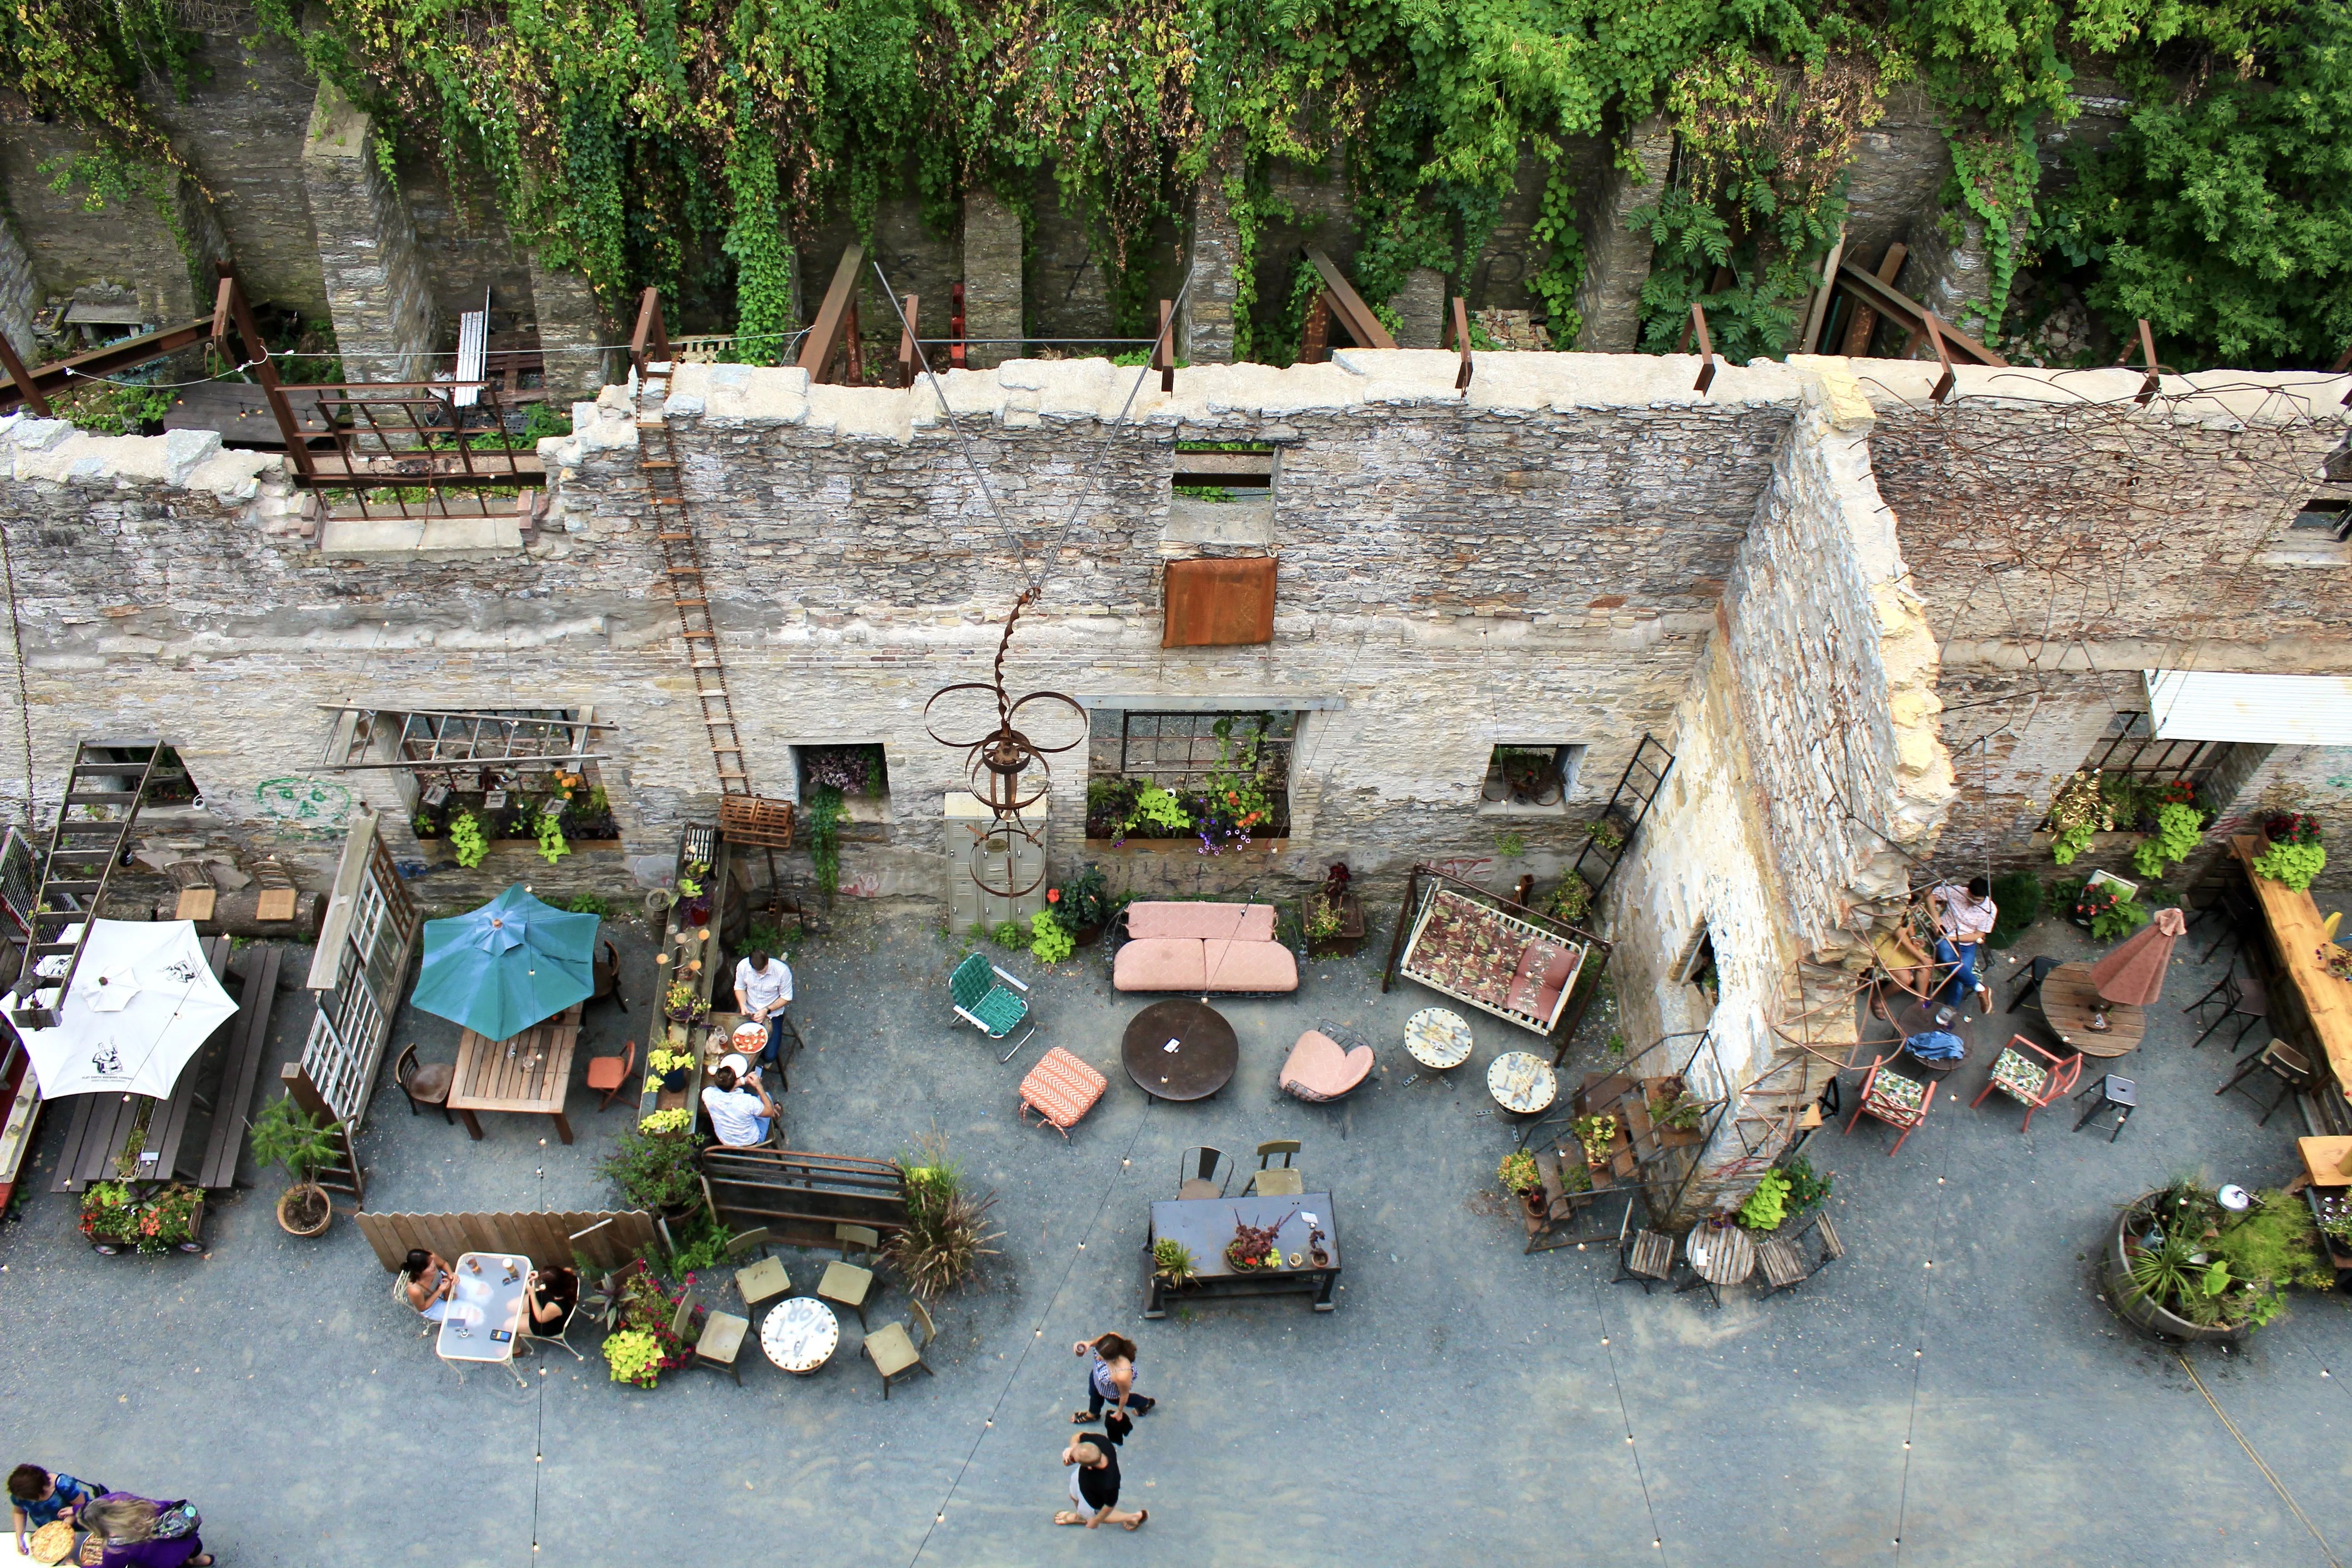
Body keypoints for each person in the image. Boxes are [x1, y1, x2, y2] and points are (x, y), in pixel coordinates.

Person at [81, 1494, 211, 1568]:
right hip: (185, 1539)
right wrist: (78, 1509)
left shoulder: (116, 1547)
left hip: (167, 1562)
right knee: (193, 1548)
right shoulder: (138, 1504)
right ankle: (201, 1560)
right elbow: (168, 1505)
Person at [1929, 876, 1998, 1009]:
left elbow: (1978, 935)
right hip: (1945, 932)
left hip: (1966, 943)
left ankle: (1949, 1010)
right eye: (1971, 897)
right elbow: (1930, 895)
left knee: (1960, 973)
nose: (1973, 902)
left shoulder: (1990, 910)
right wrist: (1936, 918)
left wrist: (1952, 939)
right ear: (1967, 890)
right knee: (1948, 957)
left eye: (1978, 900)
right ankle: (1979, 988)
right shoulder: (1956, 891)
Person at [1071, 1332, 1155, 1439]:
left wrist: (1120, 1411)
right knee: (1094, 1393)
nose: (1098, 1359)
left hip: (1110, 1392)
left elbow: (1124, 1395)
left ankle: (1144, 1404)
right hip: (1098, 1378)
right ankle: (1093, 1414)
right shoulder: (1113, 1343)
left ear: (1112, 1358)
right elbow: (1103, 1340)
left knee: (1118, 1400)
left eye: (1102, 1357)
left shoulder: (1122, 1374)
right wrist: (1089, 1343)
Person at [1053, 1435, 1146, 1531]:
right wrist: (1072, 1448)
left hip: (1092, 1498)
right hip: (1080, 1479)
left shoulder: (1110, 1483)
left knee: (1095, 1514)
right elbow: (1078, 1436)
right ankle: (1081, 1515)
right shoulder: (1102, 1442)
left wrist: (1096, 1521)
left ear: (1089, 1468)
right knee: (1073, 1497)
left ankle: (1133, 1518)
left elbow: (1109, 1506)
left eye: (1074, 1459)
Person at [10, 1466, 105, 1554]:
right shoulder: (21, 1494)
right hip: (51, 1530)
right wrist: (19, 1537)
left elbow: (81, 1507)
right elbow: (19, 1512)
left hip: (80, 1525)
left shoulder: (65, 1486)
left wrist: (62, 1527)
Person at [732, 949, 795, 1076]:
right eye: (757, 972)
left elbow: (787, 997)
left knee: (770, 1056)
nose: (760, 974)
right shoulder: (743, 966)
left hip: (772, 1013)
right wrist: (743, 1005)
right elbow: (740, 988)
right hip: (750, 1010)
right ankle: (751, 1063)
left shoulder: (782, 971)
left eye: (763, 971)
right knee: (739, 1045)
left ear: (768, 962)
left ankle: (763, 1060)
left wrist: (767, 1010)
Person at [701, 1062, 779, 1148]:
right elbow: (769, 1112)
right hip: (751, 1141)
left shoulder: (708, 1094)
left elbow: (727, 1088)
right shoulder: (748, 1101)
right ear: (735, 1081)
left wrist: (744, 1080)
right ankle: (777, 1114)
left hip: (726, 1141)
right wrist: (759, 1086)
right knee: (766, 1097)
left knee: (750, 1112)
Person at [403, 1248, 456, 1323]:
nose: (433, 1266)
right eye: (428, 1267)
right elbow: (423, 1308)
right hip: (432, 1305)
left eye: (432, 1262)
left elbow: (444, 1264)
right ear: (419, 1272)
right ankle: (456, 1328)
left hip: (443, 1283)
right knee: (459, 1321)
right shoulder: (415, 1290)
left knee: (474, 1292)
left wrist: (451, 1275)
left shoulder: (431, 1257)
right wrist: (440, 1291)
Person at [524, 1266, 580, 1332]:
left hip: (548, 1324)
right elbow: (554, 1277)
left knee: (511, 1322)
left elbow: (540, 1318)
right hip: (547, 1301)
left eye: (543, 1283)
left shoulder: (554, 1306)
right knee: (511, 1306)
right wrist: (540, 1275)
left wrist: (532, 1294)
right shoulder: (568, 1273)